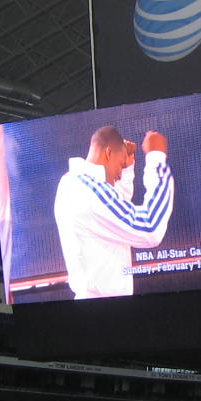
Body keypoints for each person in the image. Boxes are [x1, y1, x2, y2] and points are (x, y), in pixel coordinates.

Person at [53, 124, 173, 298]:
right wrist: (156, 158)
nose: (120, 172)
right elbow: (149, 227)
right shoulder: (89, 191)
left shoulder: (71, 181)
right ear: (108, 153)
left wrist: (127, 167)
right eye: (120, 164)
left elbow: (116, 210)